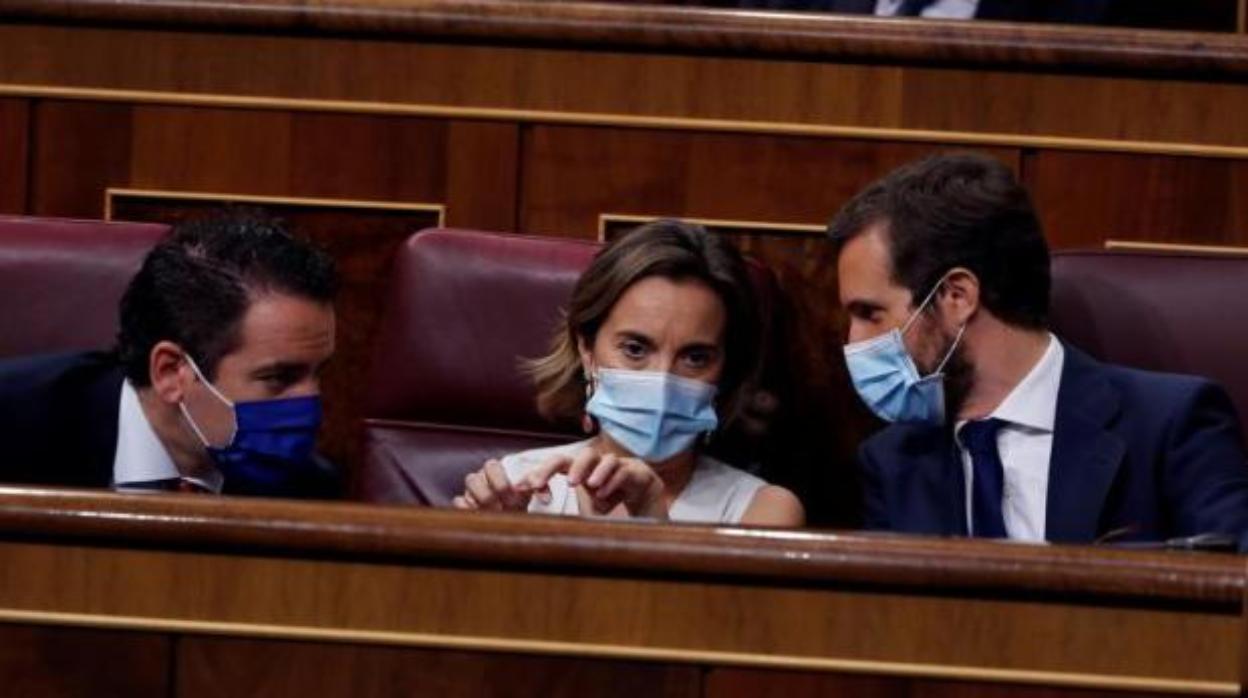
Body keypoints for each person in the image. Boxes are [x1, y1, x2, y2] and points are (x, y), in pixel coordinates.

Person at [829, 152, 1248, 546]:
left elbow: (1231, 596)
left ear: (956, 297)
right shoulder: (890, 463)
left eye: (871, 313)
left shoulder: (1170, 426)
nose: (855, 341)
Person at [453, 220, 804, 526]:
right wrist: (508, 543)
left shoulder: (763, 510)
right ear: (587, 350)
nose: (662, 381)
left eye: (695, 357)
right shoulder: (515, 485)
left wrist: (652, 521)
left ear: (725, 371)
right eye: (635, 349)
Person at [0, 212, 341, 498]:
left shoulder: (306, 488)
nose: (311, 402)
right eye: (279, 377)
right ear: (170, 372)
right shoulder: (14, 427)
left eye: (319, 372)